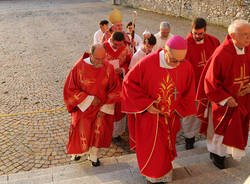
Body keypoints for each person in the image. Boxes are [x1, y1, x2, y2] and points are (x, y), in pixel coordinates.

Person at [122, 36, 196, 183]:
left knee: (166, 148)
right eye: (174, 60)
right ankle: (153, 177)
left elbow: (189, 90)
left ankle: (166, 172)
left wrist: (179, 108)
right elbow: (128, 83)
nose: (177, 65)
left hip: (170, 116)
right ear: (165, 51)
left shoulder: (185, 66)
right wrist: (147, 105)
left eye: (181, 60)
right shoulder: (148, 63)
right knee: (154, 149)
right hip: (151, 117)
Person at [196, 19, 250, 169]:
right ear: (233, 35)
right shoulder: (221, 53)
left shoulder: (248, 48)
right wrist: (226, 99)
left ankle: (226, 152)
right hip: (225, 102)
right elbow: (210, 81)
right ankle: (216, 155)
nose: (248, 38)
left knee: (237, 129)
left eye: (249, 35)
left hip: (242, 100)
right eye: (245, 35)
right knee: (220, 132)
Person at [63, 44, 121, 167]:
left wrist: (104, 107)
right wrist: (89, 99)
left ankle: (94, 155)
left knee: (98, 131)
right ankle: (78, 152)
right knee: (80, 129)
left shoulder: (108, 67)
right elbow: (70, 89)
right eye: (97, 59)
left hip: (101, 107)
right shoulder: (79, 67)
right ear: (90, 55)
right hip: (83, 107)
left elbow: (115, 89)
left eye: (103, 58)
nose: (100, 62)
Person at [183, 18, 220, 150]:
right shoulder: (185, 44)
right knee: (191, 113)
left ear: (205, 30)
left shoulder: (214, 42)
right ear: (191, 30)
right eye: (195, 33)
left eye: (200, 34)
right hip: (193, 86)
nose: (198, 36)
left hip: (210, 85)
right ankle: (189, 138)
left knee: (210, 112)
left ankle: (211, 139)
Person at [103, 31, 132, 140]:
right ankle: (105, 131)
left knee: (119, 107)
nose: (118, 47)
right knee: (106, 106)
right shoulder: (103, 48)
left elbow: (129, 63)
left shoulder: (125, 48)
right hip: (105, 83)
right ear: (110, 39)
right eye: (115, 45)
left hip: (119, 82)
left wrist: (123, 69)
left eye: (120, 45)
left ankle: (117, 132)